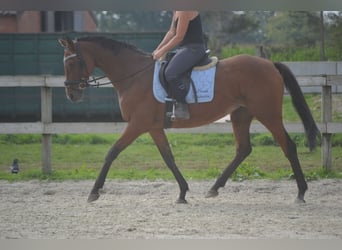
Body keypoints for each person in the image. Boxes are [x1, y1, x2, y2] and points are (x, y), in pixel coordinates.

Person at [152, 11, 206, 119]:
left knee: (170, 73)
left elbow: (179, 36)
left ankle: (182, 105)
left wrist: (162, 51)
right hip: (184, 49)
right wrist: (157, 49)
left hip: (194, 48)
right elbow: (171, 32)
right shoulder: (176, 10)